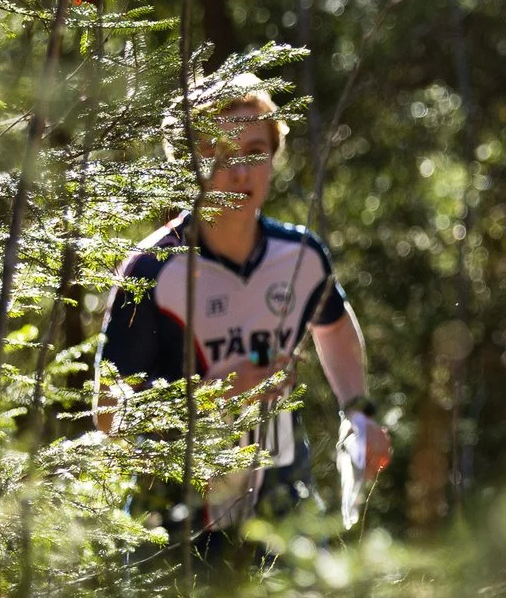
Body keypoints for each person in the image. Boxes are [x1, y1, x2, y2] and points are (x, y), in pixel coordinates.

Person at [96, 78, 393, 559]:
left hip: (281, 493)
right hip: (174, 514)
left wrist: (356, 411)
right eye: (219, 152)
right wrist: (214, 394)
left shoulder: (300, 255)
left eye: (256, 151)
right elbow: (107, 411)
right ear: (188, 163)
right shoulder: (152, 269)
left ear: (275, 156)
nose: (240, 170)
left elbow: (334, 326)